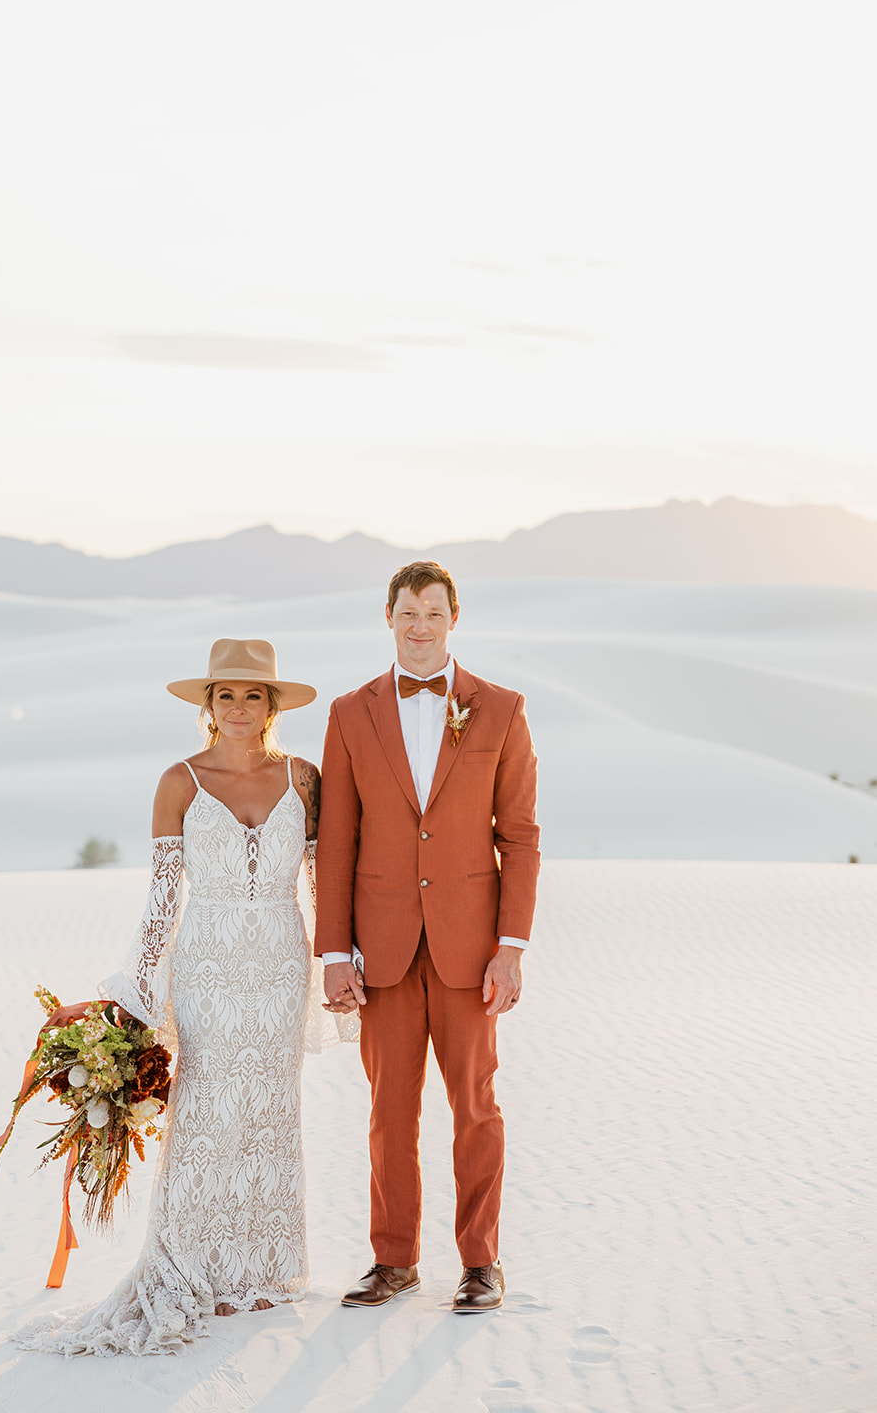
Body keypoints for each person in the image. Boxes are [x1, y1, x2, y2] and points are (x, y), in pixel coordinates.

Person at [15, 638, 352, 1356]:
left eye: (251, 695)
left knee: (268, 1108)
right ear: (207, 705)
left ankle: (262, 1270)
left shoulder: (306, 779)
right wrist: (135, 997)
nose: (237, 707)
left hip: (279, 965)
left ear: (271, 706)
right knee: (203, 1112)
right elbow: (161, 903)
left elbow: (325, 888)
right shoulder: (179, 781)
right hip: (206, 964)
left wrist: (335, 961)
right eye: (224, 694)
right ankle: (188, 1263)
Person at [316, 561, 540, 1313]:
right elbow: (337, 841)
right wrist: (332, 951)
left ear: (452, 619)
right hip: (378, 950)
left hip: (470, 950)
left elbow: (521, 837)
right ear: (387, 617)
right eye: (406, 611)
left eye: (433, 613)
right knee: (389, 1112)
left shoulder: (501, 709)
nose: (419, 625)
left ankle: (480, 1261)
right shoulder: (350, 713)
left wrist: (510, 947)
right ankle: (394, 1260)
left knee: (474, 1107)